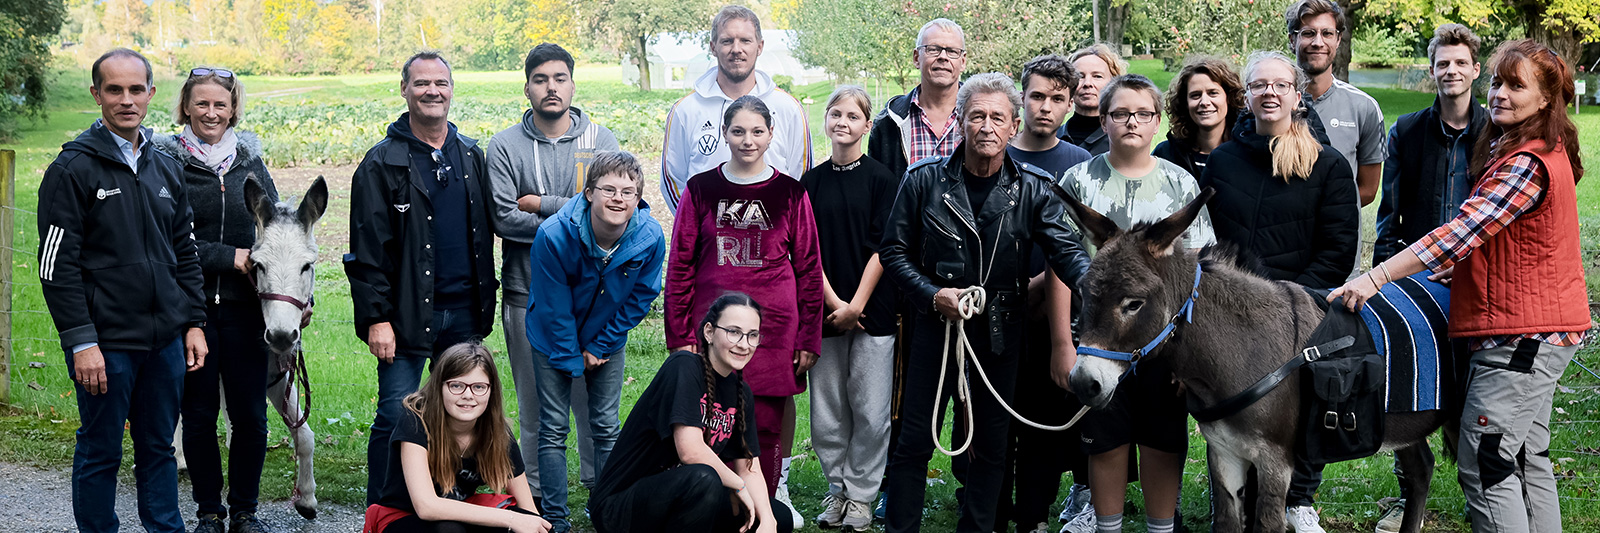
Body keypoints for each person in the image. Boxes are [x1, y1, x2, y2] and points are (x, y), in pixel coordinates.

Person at [1330, 38, 1587, 533]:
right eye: (1498, 82)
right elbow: (1507, 240)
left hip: (1522, 336)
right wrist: (1471, 267)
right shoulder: (1530, 149)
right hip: (1534, 329)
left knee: (1485, 462)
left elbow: (1458, 232)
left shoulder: (1525, 163)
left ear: (1547, 100)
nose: (1502, 94)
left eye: (1517, 86)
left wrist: (1375, 276)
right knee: (1525, 457)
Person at [879, 72, 1093, 533]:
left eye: (998, 117)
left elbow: (1066, 251)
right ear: (960, 121)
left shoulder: (1034, 187)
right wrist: (932, 294)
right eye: (977, 115)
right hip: (934, 326)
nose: (987, 126)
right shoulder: (922, 181)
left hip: (1001, 331)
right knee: (915, 440)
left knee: (992, 445)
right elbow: (893, 252)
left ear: (1013, 126)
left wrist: (1099, 285)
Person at [37, 47, 209, 533]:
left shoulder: (166, 167)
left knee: (159, 448)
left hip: (165, 344)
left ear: (151, 94)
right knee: (101, 449)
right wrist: (81, 341)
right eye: (115, 89)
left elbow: (187, 252)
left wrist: (193, 323)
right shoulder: (72, 170)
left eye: (136, 90)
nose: (126, 100)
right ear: (97, 95)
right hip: (106, 345)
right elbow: (55, 266)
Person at [1056, 74, 1216, 533]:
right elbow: (1059, 263)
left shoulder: (1180, 183)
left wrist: (1192, 355)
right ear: (1102, 120)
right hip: (1098, 339)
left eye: (1143, 114)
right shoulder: (1080, 180)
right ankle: (1106, 525)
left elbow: (1201, 270)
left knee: (1163, 438)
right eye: (1120, 113)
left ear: (1157, 122)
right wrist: (1062, 344)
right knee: (1105, 438)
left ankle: (1160, 527)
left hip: (1164, 343)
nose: (1132, 122)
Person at [346, 51, 500, 505]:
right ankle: (384, 510)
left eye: (441, 83)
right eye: (421, 83)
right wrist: (377, 318)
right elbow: (366, 252)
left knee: (462, 415)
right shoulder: (381, 164)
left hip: (466, 314)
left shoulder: (471, 154)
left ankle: (445, 503)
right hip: (407, 318)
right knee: (398, 416)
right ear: (404, 90)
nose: (432, 91)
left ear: (451, 90)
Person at [664, 94, 824, 501]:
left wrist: (808, 338)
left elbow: (808, 269)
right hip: (712, 330)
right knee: (707, 421)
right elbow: (680, 265)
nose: (747, 140)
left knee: (765, 426)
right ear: (724, 134)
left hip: (772, 331)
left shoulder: (790, 193)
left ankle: (766, 502)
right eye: (738, 131)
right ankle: (715, 504)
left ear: (772, 134)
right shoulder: (701, 189)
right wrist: (680, 335)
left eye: (757, 131)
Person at [1367, 24, 1487, 533]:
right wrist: (1385, 277)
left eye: (1461, 62)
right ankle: (1408, 491)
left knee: (1473, 385)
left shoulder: (1496, 132)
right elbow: (1388, 213)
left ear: (1476, 70)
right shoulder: (1409, 130)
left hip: (1481, 279)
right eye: (1443, 63)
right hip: (1417, 276)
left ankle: (1479, 489)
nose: (1451, 71)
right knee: (1410, 377)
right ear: (1431, 70)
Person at [487, 42, 618, 503]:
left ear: (573, 84)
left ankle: (602, 492)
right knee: (536, 408)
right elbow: (503, 218)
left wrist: (541, 205)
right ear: (527, 88)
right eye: (541, 79)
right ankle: (538, 499)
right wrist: (580, 213)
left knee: (592, 408)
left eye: (559, 78)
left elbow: (610, 213)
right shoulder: (504, 146)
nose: (551, 87)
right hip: (528, 297)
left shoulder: (601, 141)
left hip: (593, 300)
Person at [152, 66, 280, 533]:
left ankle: (245, 511)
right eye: (201, 103)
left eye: (220, 105)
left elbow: (275, 227)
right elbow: (166, 240)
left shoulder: (250, 161)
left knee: (250, 415)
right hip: (193, 310)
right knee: (201, 415)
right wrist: (230, 257)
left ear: (233, 109)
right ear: (185, 105)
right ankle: (209, 511)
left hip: (247, 312)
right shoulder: (165, 161)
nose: (211, 113)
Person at [524, 151, 665, 532]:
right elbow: (553, 308)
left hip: (607, 339)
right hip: (551, 338)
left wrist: (600, 346)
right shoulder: (553, 235)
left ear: (638, 198)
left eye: (628, 191)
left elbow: (641, 297)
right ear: (589, 192)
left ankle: (607, 510)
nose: (618, 198)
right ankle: (554, 516)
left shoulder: (650, 238)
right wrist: (572, 360)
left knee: (605, 425)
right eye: (608, 189)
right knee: (553, 426)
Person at [589, 293, 796, 533]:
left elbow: (749, 468)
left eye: (752, 335)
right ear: (709, 332)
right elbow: (691, 451)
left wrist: (768, 521)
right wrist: (737, 486)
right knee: (703, 478)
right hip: (621, 507)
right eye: (733, 332)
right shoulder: (684, 366)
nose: (743, 344)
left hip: (684, 496)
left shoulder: (741, 393)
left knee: (780, 516)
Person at [997, 54, 1092, 533]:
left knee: (1042, 423)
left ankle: (1032, 516)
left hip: (1054, 314)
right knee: (992, 420)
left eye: (1058, 99)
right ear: (1021, 98)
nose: (1046, 107)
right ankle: (989, 509)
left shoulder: (1079, 166)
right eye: (1037, 96)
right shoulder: (995, 153)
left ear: (1070, 104)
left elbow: (1079, 248)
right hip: (991, 313)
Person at [800, 86, 899, 531]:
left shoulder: (883, 179)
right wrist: (835, 304)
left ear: (866, 124)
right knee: (827, 411)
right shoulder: (809, 183)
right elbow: (806, 251)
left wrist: (855, 304)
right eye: (834, 114)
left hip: (872, 310)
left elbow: (884, 247)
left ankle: (861, 496)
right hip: (824, 310)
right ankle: (836, 489)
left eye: (852, 116)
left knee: (871, 409)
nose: (842, 122)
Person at [1201, 50, 1358, 291]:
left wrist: (1287, 302)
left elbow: (1337, 254)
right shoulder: (1221, 161)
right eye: (1259, 85)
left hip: (1295, 310)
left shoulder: (1327, 165)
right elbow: (1205, 237)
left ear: (1296, 98)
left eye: (1281, 85)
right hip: (1225, 303)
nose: (1269, 91)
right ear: (1246, 99)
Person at [363, 342, 552, 533]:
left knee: (536, 526)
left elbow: (528, 509)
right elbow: (426, 507)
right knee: (450, 530)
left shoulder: (496, 431)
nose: (468, 395)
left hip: (460, 514)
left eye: (479, 387)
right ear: (440, 387)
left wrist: (530, 523)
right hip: (403, 517)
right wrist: (510, 518)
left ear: (491, 391)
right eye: (456, 385)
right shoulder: (416, 419)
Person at [659, 5, 812, 214]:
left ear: (759, 46)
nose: (736, 49)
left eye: (745, 41)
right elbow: (673, 179)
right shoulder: (685, 111)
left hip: (771, 240)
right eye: (727, 41)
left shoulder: (789, 108)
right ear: (713, 47)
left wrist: (777, 226)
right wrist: (698, 227)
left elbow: (800, 179)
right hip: (708, 241)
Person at [1286, 0, 1386, 210]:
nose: (1318, 42)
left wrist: (1324, 213)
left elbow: (1368, 190)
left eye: (1327, 33)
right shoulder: (1272, 104)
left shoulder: (1364, 108)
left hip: (1337, 237)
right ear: (1292, 40)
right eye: (1308, 33)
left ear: (1338, 40)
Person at [868, 18, 969, 178]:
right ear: (916, 58)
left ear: (962, 61)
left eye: (952, 51)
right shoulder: (888, 122)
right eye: (933, 49)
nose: (943, 57)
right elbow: (878, 191)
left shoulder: (984, 118)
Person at [1153, 57, 1247, 178]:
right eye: (1195, 95)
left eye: (1213, 93)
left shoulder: (1247, 154)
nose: (1204, 102)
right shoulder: (1165, 155)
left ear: (1229, 97)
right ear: (1185, 103)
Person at [1057, 44, 1128, 155]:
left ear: (1114, 83)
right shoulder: (1052, 138)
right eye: (1080, 76)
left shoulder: (1123, 140)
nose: (1088, 83)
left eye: (1097, 76)